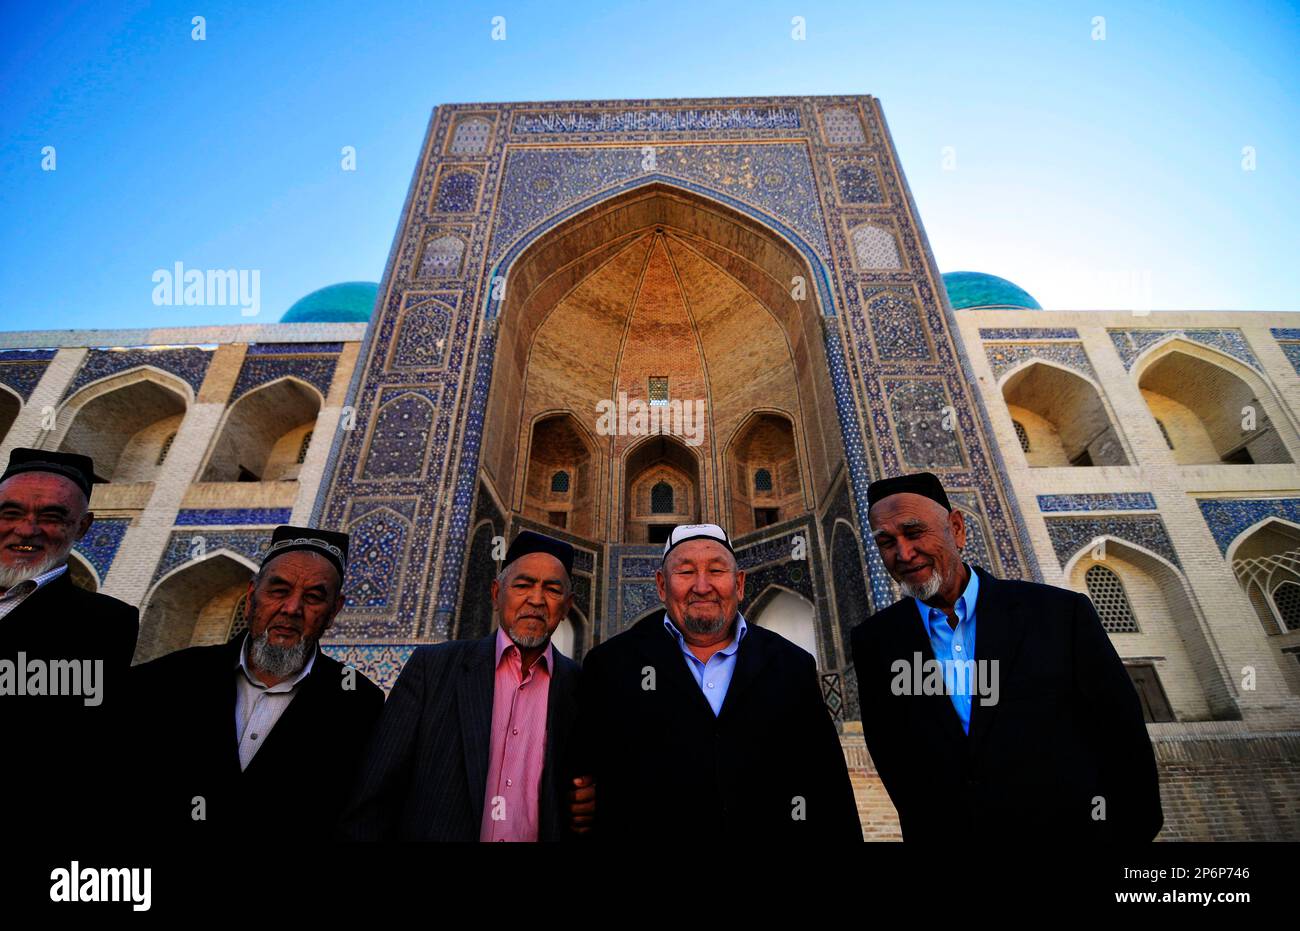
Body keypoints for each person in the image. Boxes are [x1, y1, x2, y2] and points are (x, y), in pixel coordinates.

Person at [851, 471, 1163, 842]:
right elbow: (893, 756)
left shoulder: (1057, 615)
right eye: (886, 542)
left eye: (915, 532)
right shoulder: (876, 641)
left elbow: (1122, 738)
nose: (903, 553)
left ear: (957, 528)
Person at [575, 523, 862, 840]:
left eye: (716, 571)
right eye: (685, 572)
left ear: (739, 584)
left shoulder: (791, 665)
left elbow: (828, 788)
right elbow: (582, 787)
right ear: (660, 585)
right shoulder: (611, 666)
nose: (702, 586)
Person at [130, 525, 384, 840]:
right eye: (278, 590)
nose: (292, 609)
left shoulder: (360, 705)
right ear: (251, 598)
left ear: (334, 612)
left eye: (314, 597)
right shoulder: (166, 682)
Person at [339, 529, 591, 841]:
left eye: (552, 590)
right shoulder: (434, 670)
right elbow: (375, 793)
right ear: (496, 593)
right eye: (523, 585)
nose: (536, 600)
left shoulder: (580, 686)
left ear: (567, 606)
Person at [0, 448, 139, 835]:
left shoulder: (103, 624)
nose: (27, 531)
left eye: (52, 518)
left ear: (82, 527)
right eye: (10, 514)